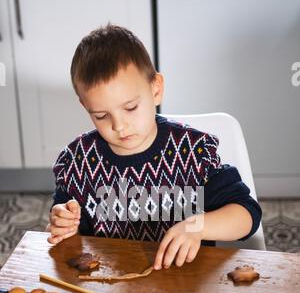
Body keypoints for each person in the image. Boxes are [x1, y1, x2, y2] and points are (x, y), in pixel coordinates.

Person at [47, 24, 262, 270]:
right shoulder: (79, 161)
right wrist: (62, 221)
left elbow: (247, 214)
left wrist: (196, 226)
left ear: (156, 89)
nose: (119, 126)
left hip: (185, 287)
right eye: (101, 115)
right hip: (111, 288)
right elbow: (67, 232)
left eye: (130, 108)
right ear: (86, 106)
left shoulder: (192, 152)